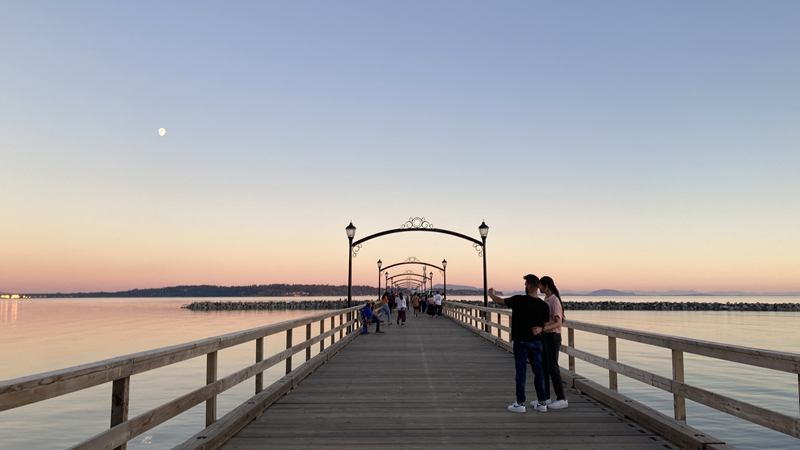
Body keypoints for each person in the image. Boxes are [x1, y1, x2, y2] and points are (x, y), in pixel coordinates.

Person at [489, 274, 550, 413]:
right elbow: (546, 324)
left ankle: (520, 403)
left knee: (521, 372)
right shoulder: (543, 305)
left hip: (521, 342)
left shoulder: (519, 300)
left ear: (529, 286)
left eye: (525, 284)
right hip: (537, 341)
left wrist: (490, 294)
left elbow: (500, 301)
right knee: (538, 371)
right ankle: (542, 402)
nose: (525, 287)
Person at [534, 276, 568, 409]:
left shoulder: (554, 300)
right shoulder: (547, 299)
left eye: (540, 286)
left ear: (546, 286)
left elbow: (559, 322)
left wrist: (543, 329)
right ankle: (546, 397)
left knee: (553, 367)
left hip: (553, 337)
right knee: (544, 367)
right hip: (545, 337)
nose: (539, 288)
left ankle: (561, 398)